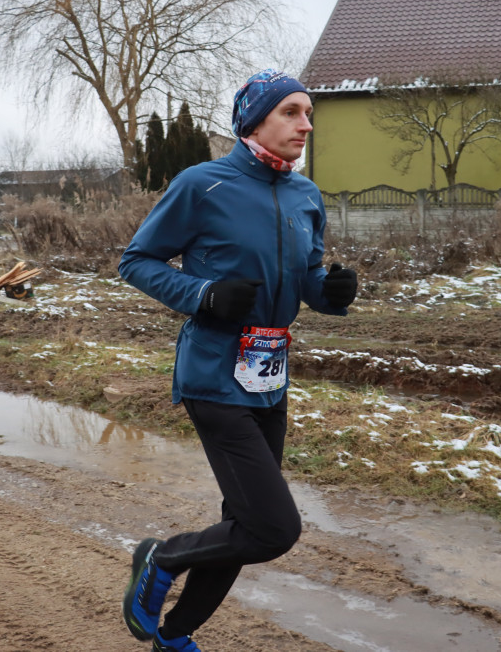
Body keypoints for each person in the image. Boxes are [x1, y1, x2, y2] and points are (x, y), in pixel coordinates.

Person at [118, 69, 358, 652]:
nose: (306, 124)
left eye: (308, 114)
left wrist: (330, 293)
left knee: (243, 526)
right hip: (213, 374)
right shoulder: (203, 184)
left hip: (269, 378)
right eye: (292, 112)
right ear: (254, 120)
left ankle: (174, 637)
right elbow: (137, 261)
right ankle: (162, 557)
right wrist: (202, 294)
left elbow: (305, 276)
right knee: (274, 529)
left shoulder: (305, 194)